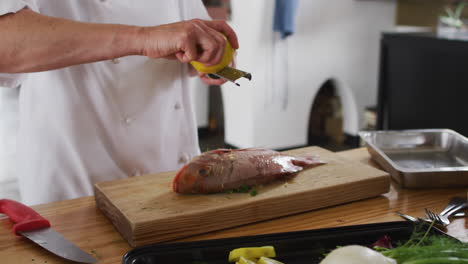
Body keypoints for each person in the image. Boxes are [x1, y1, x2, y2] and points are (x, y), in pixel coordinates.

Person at [0, 0, 239, 205]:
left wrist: (213, 56)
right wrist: (143, 39)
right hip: (78, 187)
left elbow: (187, 36)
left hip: (174, 175)